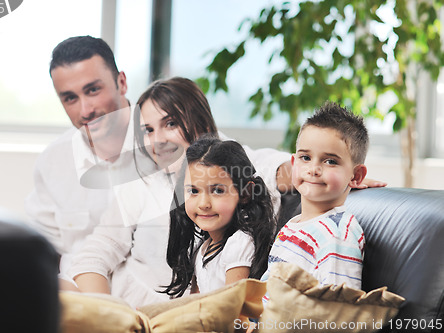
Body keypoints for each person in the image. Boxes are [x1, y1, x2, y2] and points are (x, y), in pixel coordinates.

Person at [65, 77, 291, 308]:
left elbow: (278, 166)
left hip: (171, 312)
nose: (158, 140)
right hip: (122, 299)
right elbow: (97, 252)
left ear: (202, 124)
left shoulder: (227, 164)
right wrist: (105, 310)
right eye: (148, 130)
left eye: (171, 124)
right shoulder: (145, 177)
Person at [24, 36, 136, 282]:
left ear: (122, 82)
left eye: (93, 90)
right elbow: (39, 255)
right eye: (70, 98)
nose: (85, 111)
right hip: (80, 304)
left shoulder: (172, 139)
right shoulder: (53, 162)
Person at [262, 102, 369, 305]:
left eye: (330, 161)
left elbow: (338, 314)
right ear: (294, 164)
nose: (313, 169)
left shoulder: (337, 235)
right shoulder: (293, 225)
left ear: (356, 176)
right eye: (305, 157)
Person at [162, 136, 277, 297]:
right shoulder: (202, 249)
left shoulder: (239, 244)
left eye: (217, 191)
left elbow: (231, 308)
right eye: (194, 191)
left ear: (245, 193)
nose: (203, 204)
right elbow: (193, 304)